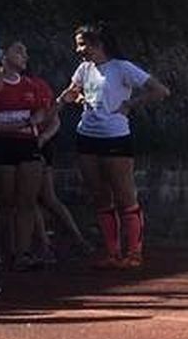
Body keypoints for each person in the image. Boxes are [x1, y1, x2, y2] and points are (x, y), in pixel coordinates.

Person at [58, 25, 169, 269]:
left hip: (115, 137)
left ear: (99, 44)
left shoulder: (122, 68)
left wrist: (131, 104)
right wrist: (69, 98)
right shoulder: (84, 69)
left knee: (124, 195)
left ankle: (134, 252)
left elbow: (160, 90)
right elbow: (73, 90)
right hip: (87, 136)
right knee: (100, 196)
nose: (79, 50)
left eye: (83, 44)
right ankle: (112, 252)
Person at [0, 40, 57, 271]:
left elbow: (44, 113)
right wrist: (26, 122)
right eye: (19, 51)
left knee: (27, 201)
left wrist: (35, 124)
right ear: (3, 54)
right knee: (4, 201)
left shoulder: (32, 85)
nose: (24, 56)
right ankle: (3, 252)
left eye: (26, 51)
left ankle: (22, 253)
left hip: (27, 145)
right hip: (1, 147)